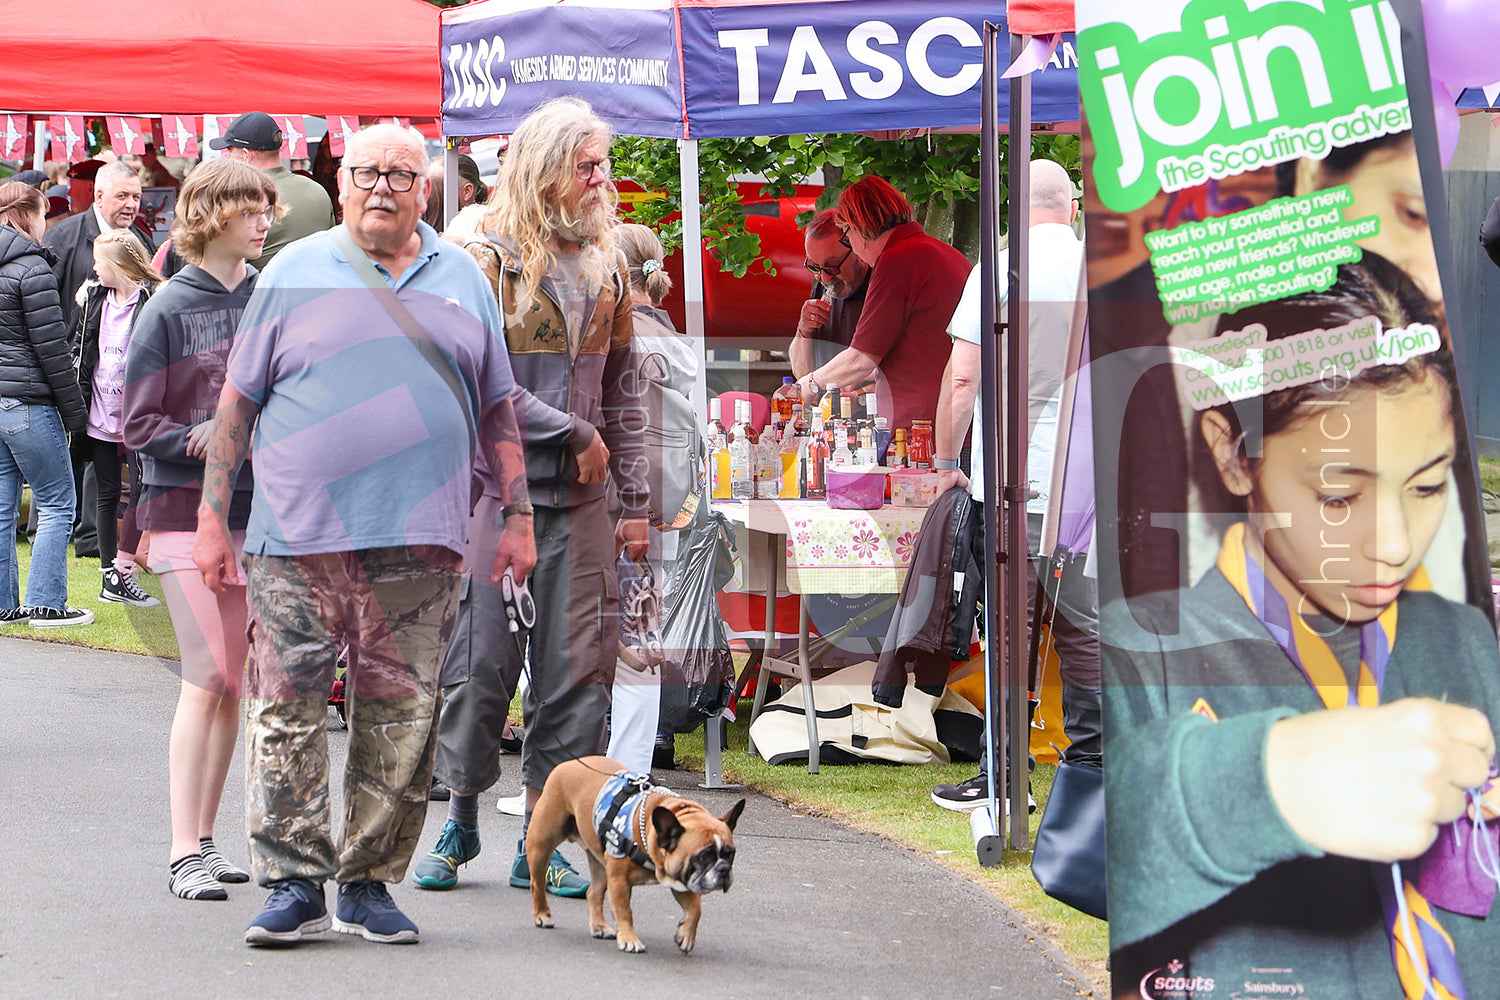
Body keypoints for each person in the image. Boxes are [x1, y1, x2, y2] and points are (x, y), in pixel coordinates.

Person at [1106, 254, 1500, 995]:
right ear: (1231, 451)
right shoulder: (1145, 653)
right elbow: (1123, 820)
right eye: (1339, 497)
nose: (1393, 543)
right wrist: (1263, 782)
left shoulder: (1466, 639)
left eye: (1427, 485)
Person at [192, 123, 535, 946]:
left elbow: (499, 407)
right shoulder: (291, 271)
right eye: (367, 171)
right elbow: (236, 404)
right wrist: (211, 516)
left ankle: (369, 882)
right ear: (340, 183)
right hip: (296, 537)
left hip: (423, 541)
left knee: (402, 715)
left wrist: (519, 515)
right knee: (288, 708)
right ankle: (293, 881)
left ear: (427, 189)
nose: (383, 186)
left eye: (401, 174)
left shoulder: (464, 279)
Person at [412, 96, 647, 899]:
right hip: (489, 496)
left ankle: (541, 838)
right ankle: (461, 816)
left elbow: (624, 391)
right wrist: (575, 436)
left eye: (603, 164)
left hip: (583, 507)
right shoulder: (478, 250)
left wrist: (639, 499)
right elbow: (476, 380)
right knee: (477, 669)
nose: (601, 179)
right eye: (587, 165)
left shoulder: (609, 261)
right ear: (545, 167)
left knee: (577, 675)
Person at [916, 160, 1100, 810]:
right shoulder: (1101, 264)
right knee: (1084, 634)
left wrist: (944, 460)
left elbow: (963, 378)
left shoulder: (998, 266)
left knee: (1009, 632)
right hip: (1087, 488)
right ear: (1072, 207)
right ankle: (1092, 777)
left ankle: (1002, 777)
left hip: (1013, 484)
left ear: (1017, 210)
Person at [123, 158, 277, 900]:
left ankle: (208, 840)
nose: (263, 220)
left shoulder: (265, 296)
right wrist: (203, 433)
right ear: (212, 213)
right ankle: (185, 848)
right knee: (207, 674)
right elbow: (136, 424)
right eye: (250, 207)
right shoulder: (167, 307)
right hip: (179, 512)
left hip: (256, 512)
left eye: (265, 208)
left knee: (233, 684)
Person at [603, 222, 700, 775]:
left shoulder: (625, 337)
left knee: (591, 636)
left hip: (618, 503)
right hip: (668, 507)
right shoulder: (675, 339)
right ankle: (633, 769)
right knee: (643, 633)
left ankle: (592, 773)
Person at [799, 175, 969, 430]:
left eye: (846, 235)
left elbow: (860, 359)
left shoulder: (897, 261)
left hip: (919, 429)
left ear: (859, 227)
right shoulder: (947, 254)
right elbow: (919, 351)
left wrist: (808, 384)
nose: (854, 248)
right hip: (957, 421)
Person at [0, 181, 91, 628]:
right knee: (57, 502)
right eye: (42, 213)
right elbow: (52, 351)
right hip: (29, 402)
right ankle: (46, 604)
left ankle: (4, 604)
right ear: (27, 215)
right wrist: (76, 414)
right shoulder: (32, 269)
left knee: (0, 509)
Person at [71, 228, 164, 608]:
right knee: (107, 492)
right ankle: (111, 575)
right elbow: (80, 345)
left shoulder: (150, 302)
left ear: (119, 265)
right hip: (98, 412)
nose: (93, 267)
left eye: (99, 261)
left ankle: (125, 569)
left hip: (137, 415)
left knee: (141, 492)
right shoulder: (93, 297)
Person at [210, 112, 335, 270]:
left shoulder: (242, 199)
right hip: (321, 289)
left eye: (230, 152)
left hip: (264, 292)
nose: (228, 158)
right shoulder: (317, 190)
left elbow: (225, 270)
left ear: (246, 155)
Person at [788, 208, 870, 379]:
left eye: (832, 266)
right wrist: (803, 330)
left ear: (858, 251)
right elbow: (801, 374)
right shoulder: (822, 287)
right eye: (814, 267)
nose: (825, 278)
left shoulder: (879, 286)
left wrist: (858, 396)